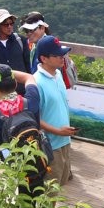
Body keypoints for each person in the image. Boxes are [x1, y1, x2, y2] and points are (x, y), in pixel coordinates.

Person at [33, 35, 76, 186]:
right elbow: (33, 118)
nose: (62, 57)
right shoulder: (36, 83)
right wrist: (57, 131)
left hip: (65, 141)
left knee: (60, 186)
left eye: (62, 54)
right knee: (49, 191)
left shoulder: (58, 75)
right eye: (57, 55)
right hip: (50, 145)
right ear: (44, 58)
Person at [0, 8, 31, 76]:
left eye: (11, 24)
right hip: (2, 85)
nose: (9, 27)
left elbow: (28, 63)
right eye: (6, 24)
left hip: (22, 84)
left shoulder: (20, 40)